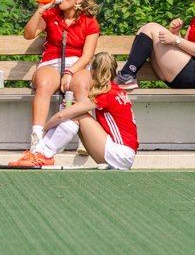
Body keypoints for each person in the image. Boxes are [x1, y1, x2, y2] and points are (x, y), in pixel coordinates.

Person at [8, 53, 137, 169]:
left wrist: (45, 129)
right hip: (123, 155)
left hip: (120, 155)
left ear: (92, 71)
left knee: (76, 114)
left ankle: (44, 155)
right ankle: (39, 154)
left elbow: (61, 115)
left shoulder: (105, 94)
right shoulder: (116, 90)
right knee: (75, 112)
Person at [21, 0, 100, 150]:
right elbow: (28, 35)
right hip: (51, 63)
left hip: (77, 65)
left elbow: (87, 56)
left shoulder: (89, 22)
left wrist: (70, 72)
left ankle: (86, 137)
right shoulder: (51, 15)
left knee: (81, 85)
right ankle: (37, 137)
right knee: (44, 83)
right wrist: (40, 10)